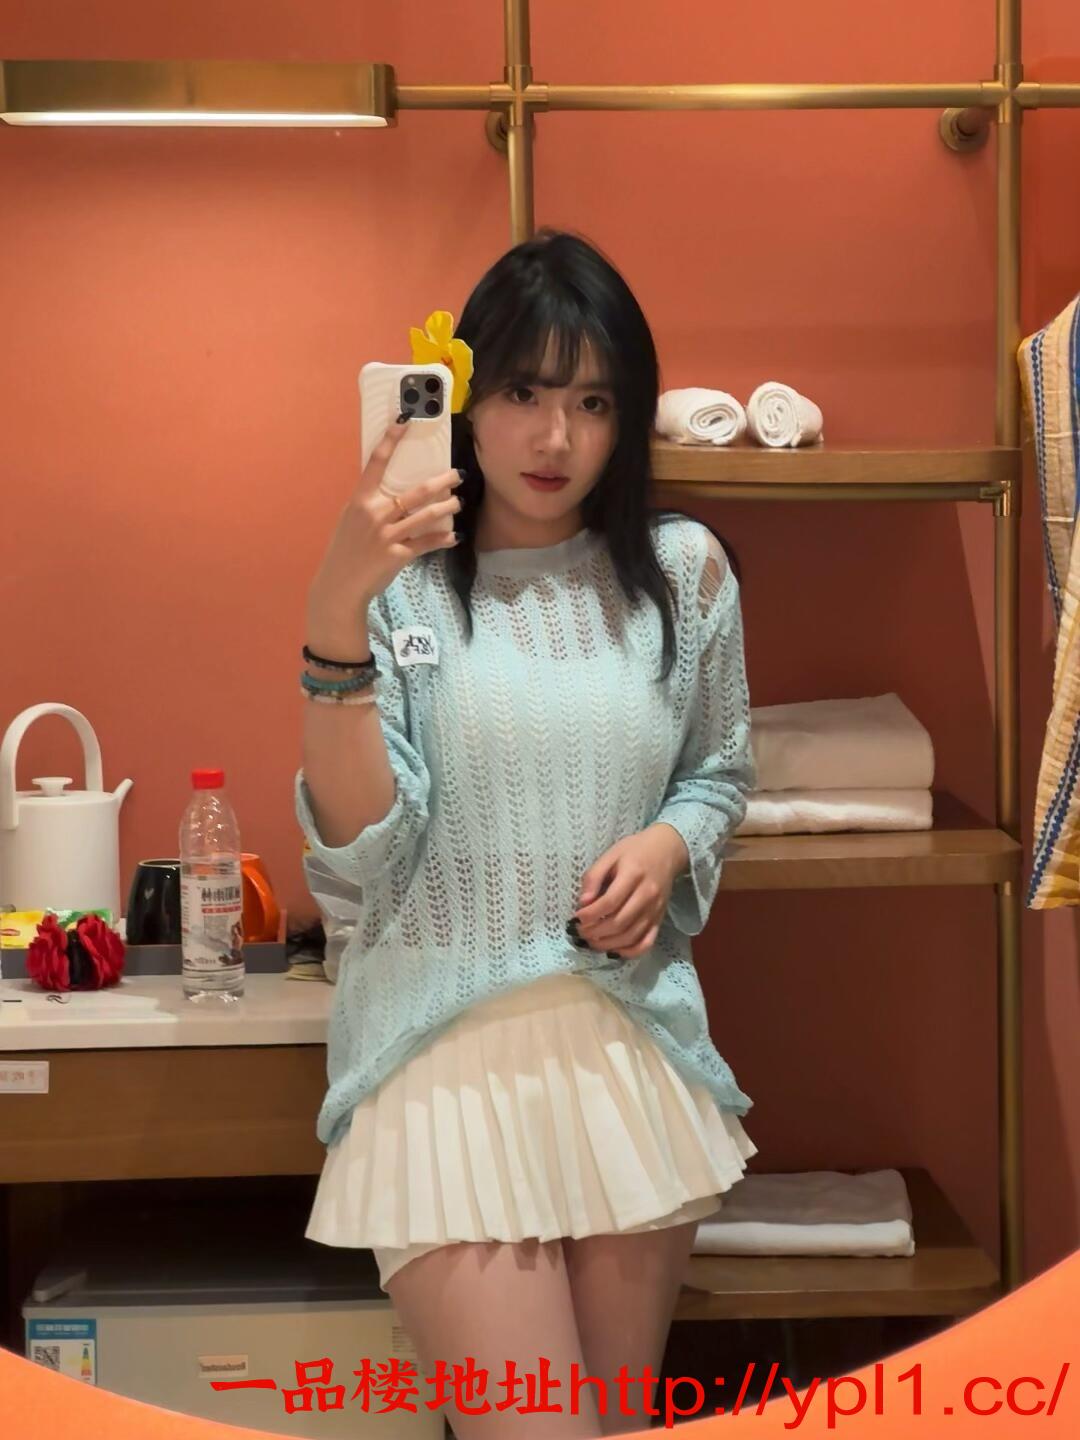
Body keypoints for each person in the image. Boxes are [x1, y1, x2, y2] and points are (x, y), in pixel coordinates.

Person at [296, 227, 758, 1438]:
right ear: (464, 401)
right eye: (522, 394)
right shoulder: (399, 590)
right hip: (437, 1055)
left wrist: (668, 846)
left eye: (594, 402)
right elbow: (361, 852)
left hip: (627, 1052)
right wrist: (335, 615)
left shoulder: (685, 575)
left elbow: (719, 773)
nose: (556, 438)